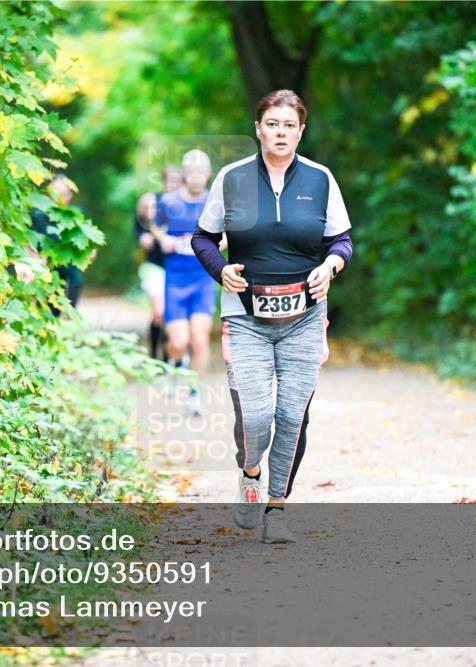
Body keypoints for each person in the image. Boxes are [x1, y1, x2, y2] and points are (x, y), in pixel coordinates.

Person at [192, 90, 353, 543]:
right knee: (256, 416)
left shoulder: (321, 179)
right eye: (272, 124)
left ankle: (277, 506)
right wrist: (222, 269)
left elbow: (341, 241)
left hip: (305, 314)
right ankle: (250, 471)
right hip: (246, 316)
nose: (280, 132)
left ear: (301, 131)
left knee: (293, 414)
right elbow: (203, 238)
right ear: (258, 128)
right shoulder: (232, 178)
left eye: (289, 125)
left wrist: (330, 266)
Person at [154, 151, 217, 417]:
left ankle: (194, 395)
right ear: (184, 174)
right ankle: (173, 361)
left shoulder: (214, 204)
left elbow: (227, 235)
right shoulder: (168, 202)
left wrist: (213, 246)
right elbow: (155, 227)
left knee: (200, 338)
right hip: (176, 277)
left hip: (202, 277)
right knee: (179, 342)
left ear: (207, 174)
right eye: (190, 172)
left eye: (200, 172)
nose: (195, 176)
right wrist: (163, 239)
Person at [134, 165, 181, 360]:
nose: (173, 184)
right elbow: (141, 222)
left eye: (177, 181)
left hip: (179, 267)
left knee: (174, 315)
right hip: (155, 265)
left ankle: (171, 355)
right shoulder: (154, 201)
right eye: (170, 180)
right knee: (159, 313)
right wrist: (146, 236)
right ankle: (154, 354)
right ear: (163, 181)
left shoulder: (187, 204)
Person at [30, 174, 85, 316]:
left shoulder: (76, 215)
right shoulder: (38, 216)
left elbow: (87, 242)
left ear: (70, 196)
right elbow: (30, 242)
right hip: (48, 270)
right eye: (55, 192)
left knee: (69, 312)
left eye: (64, 193)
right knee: (50, 313)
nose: (59, 197)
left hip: (71, 274)